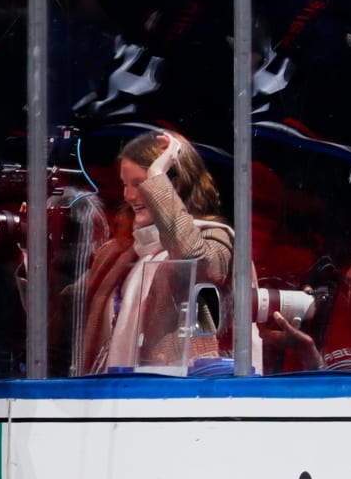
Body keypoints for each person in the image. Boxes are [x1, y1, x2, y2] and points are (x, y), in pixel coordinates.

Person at [66, 130, 236, 375]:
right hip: (108, 401)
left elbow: (194, 261)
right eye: (125, 184)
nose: (129, 196)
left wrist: (157, 175)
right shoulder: (119, 252)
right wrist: (33, 257)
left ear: (173, 184)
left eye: (139, 184)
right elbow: (66, 311)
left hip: (173, 401)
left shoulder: (214, 238)